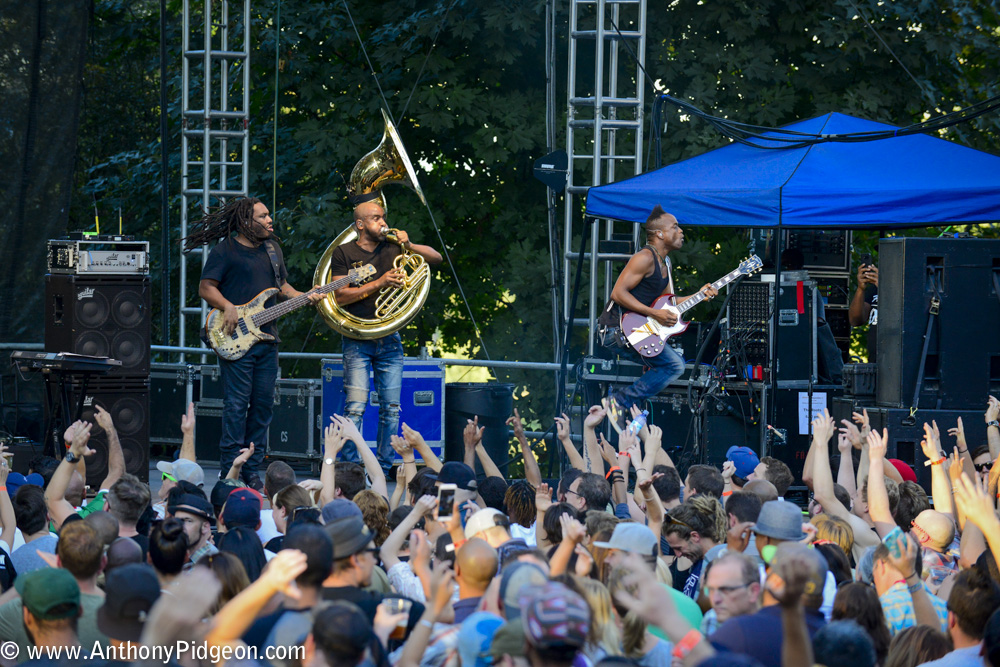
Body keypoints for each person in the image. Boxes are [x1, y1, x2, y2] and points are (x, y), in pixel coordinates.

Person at [187, 196, 324, 491]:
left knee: (262, 407)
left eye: (268, 215)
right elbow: (205, 287)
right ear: (244, 222)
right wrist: (228, 306)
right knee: (237, 406)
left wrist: (305, 295)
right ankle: (229, 470)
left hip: (267, 340)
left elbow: (282, 287)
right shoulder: (225, 251)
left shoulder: (273, 250)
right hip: (235, 339)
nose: (269, 220)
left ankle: (252, 469)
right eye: (262, 217)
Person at [329, 199, 442, 474]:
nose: (383, 222)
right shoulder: (343, 253)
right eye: (377, 218)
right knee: (355, 408)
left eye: (383, 217)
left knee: (391, 409)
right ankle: (351, 468)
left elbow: (436, 259)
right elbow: (339, 296)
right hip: (357, 339)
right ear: (360, 224)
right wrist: (379, 283)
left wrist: (410, 245)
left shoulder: (394, 247)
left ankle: (380, 466)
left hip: (390, 339)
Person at [597, 205, 718, 419]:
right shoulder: (644, 258)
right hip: (615, 331)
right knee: (673, 365)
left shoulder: (665, 263)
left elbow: (669, 304)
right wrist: (653, 314)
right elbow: (618, 293)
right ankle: (618, 403)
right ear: (660, 234)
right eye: (675, 227)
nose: (681, 231)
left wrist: (699, 294)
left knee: (668, 367)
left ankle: (630, 413)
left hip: (635, 329)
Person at [848, 253, 878, 362]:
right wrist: (861, 288)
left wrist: (885, 286)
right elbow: (855, 320)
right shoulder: (874, 289)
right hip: (875, 360)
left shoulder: (909, 287)